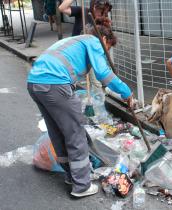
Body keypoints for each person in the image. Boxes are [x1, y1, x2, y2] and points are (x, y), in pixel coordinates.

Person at [27, 24, 133, 198]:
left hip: (34, 83)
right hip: (54, 83)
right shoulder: (94, 41)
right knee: (75, 134)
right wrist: (126, 92)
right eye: (108, 49)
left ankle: (72, 176)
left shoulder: (74, 40)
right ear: (105, 39)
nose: (106, 53)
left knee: (58, 132)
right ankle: (82, 185)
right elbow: (103, 73)